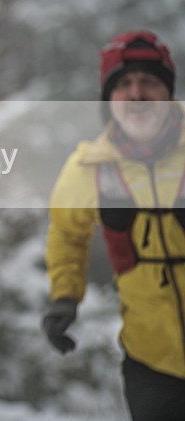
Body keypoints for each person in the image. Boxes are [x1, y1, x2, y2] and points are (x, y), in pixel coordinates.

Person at [43, 30, 185, 421]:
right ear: (109, 99)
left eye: (150, 82)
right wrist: (65, 297)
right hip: (151, 360)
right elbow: (66, 234)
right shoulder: (89, 165)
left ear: (168, 92)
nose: (137, 93)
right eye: (124, 84)